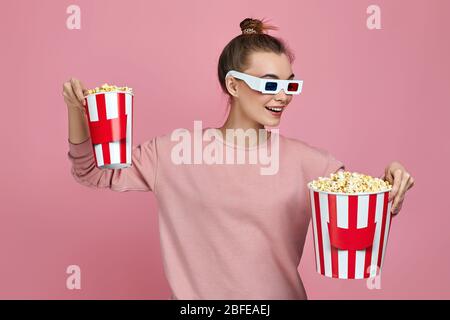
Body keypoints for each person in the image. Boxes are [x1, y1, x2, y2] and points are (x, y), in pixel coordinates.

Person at [63, 17, 414, 299]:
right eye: (270, 84)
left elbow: (358, 216)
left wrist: (390, 186)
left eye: (290, 85)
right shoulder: (173, 153)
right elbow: (91, 172)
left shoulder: (312, 165)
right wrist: (77, 112)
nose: (284, 97)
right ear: (234, 85)